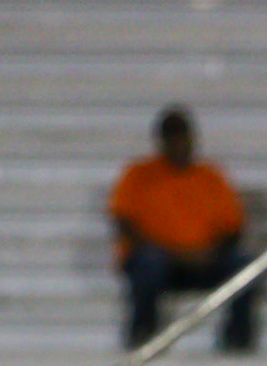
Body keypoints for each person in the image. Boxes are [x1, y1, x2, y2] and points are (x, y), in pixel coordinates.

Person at [109, 107, 256, 352]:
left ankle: (237, 337)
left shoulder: (211, 176)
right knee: (148, 263)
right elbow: (124, 222)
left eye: (182, 136)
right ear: (161, 141)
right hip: (160, 260)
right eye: (172, 137)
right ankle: (143, 332)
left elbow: (234, 228)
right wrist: (173, 254)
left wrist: (211, 254)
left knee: (244, 264)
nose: (178, 143)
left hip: (205, 260)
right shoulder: (139, 174)